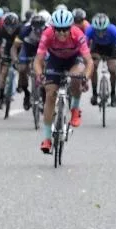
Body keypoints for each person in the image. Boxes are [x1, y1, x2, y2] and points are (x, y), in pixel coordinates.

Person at [34, 8, 92, 153]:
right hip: (55, 60)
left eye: (65, 29)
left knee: (75, 77)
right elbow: (38, 60)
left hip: (74, 59)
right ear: (53, 28)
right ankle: (47, 138)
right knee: (50, 94)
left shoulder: (78, 34)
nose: (62, 33)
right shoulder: (47, 34)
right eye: (58, 30)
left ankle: (75, 109)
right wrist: (40, 74)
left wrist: (86, 76)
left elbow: (89, 61)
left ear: (70, 27)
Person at [12, 10, 48, 111]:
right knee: (22, 69)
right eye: (35, 29)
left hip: (42, 49)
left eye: (40, 29)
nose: (38, 32)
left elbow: (53, 48)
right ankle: (27, 94)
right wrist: (15, 60)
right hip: (27, 48)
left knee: (45, 68)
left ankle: (44, 98)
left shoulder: (49, 30)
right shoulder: (25, 30)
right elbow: (14, 48)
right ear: (31, 26)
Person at [85, 13, 116, 108]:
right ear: (94, 28)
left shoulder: (114, 30)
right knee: (93, 67)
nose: (100, 34)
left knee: (112, 70)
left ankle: (113, 94)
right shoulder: (89, 30)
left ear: (107, 27)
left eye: (103, 30)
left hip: (110, 48)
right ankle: (94, 93)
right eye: (98, 31)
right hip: (97, 47)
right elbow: (84, 46)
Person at [0, 12, 22, 109]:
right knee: (4, 73)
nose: (10, 30)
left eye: (12, 27)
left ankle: (21, 84)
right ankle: (1, 98)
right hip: (7, 49)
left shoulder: (20, 30)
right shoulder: (1, 30)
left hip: (18, 50)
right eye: (8, 27)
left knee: (21, 68)